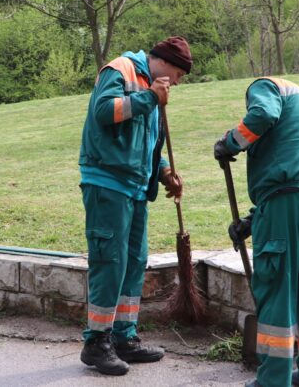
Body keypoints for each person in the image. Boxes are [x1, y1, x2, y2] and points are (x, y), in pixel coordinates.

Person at [213, 77, 299, 387]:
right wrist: (255, 221)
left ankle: (273, 379)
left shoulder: (265, 87)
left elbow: (262, 115)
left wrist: (230, 142)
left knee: (278, 286)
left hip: (290, 196)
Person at [78, 36, 191, 376]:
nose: (180, 82)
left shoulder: (152, 92)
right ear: (169, 64)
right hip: (107, 182)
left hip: (136, 187)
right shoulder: (120, 69)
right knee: (109, 261)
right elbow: (104, 112)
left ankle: (124, 337)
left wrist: (164, 172)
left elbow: (144, 146)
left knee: (134, 262)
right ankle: (96, 342)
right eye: (181, 74)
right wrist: (148, 98)